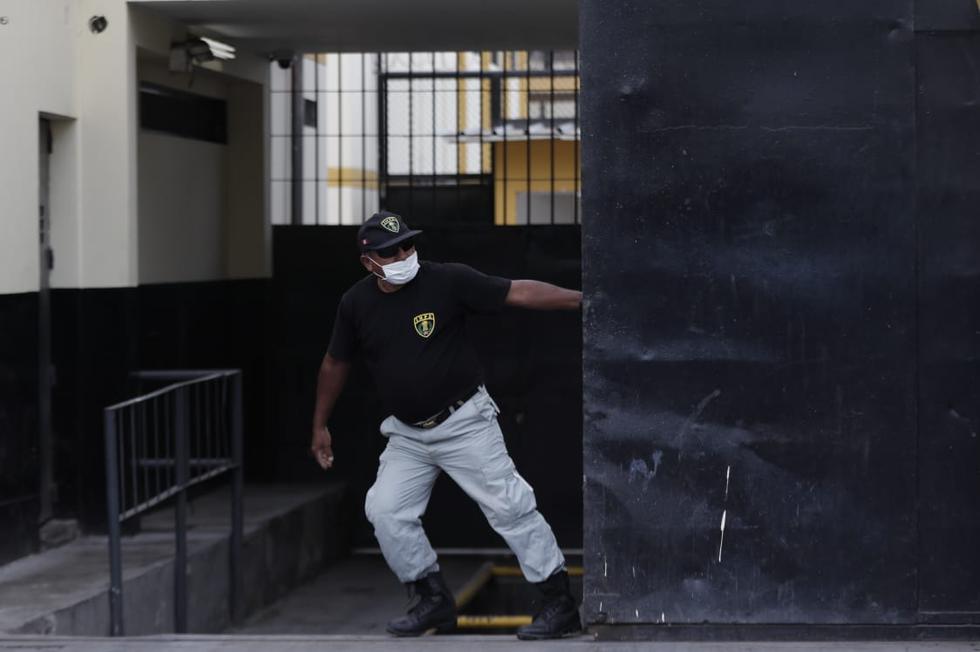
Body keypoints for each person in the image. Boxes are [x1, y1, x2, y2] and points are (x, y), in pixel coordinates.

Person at [310, 211, 583, 640]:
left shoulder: (446, 281)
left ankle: (558, 603)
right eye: (391, 251)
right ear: (369, 263)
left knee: (511, 507)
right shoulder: (356, 304)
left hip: (464, 422)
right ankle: (432, 601)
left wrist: (583, 299)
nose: (404, 255)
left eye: (408, 245)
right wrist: (320, 425)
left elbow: (519, 293)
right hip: (407, 434)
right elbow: (334, 363)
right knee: (384, 510)